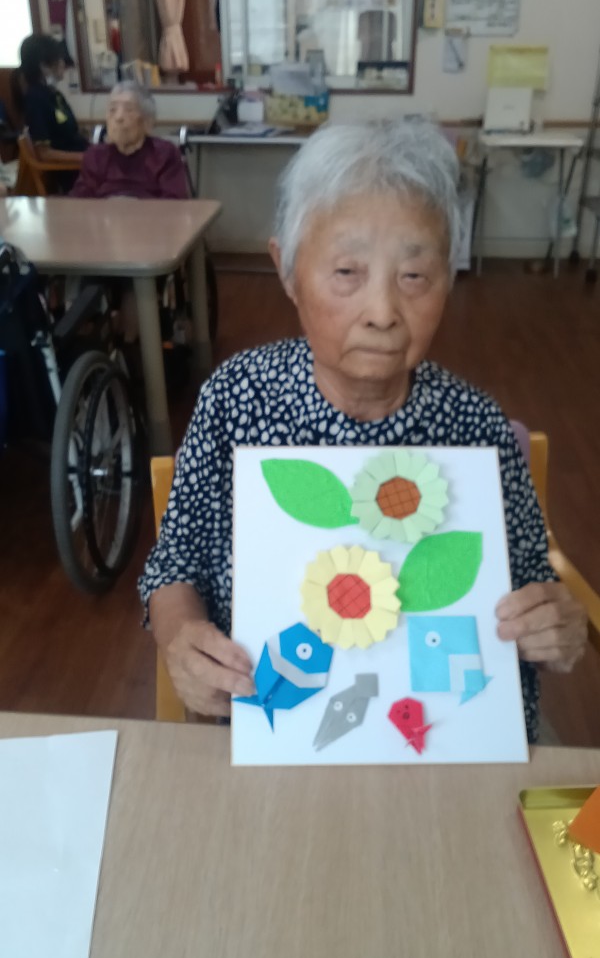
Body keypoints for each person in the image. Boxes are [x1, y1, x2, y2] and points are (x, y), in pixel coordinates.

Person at [138, 120, 588, 741]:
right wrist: (180, 636)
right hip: (273, 735)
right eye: (348, 271)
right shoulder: (235, 399)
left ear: (448, 278)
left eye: (414, 276)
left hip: (445, 743)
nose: (382, 312)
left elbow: (530, 578)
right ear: (287, 269)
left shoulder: (476, 425)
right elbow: (175, 561)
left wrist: (554, 624)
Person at [71, 81, 189, 200]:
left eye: (129, 109)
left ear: (147, 120)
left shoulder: (164, 154)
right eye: (112, 109)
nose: (119, 117)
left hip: (150, 212)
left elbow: (174, 201)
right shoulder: (95, 156)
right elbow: (80, 200)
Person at [17, 34, 88, 166]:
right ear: (43, 66)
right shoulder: (35, 100)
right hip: (68, 168)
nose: (63, 63)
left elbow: (69, 133)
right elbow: (45, 154)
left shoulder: (54, 94)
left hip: (81, 157)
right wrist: (87, 158)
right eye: (58, 59)